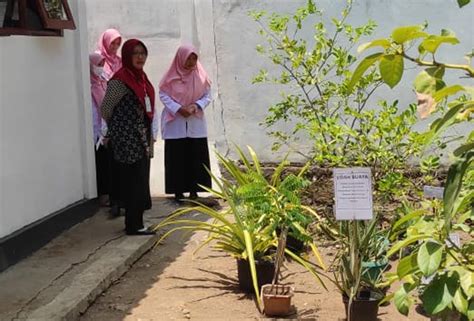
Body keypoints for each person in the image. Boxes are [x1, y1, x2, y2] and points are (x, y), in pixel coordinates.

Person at [101, 39, 155, 236]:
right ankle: (133, 225)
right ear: (127, 56)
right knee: (133, 182)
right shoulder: (120, 80)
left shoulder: (141, 77)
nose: (140, 57)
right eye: (136, 53)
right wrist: (120, 128)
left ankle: (138, 222)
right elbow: (105, 108)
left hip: (141, 137)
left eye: (143, 53)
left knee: (141, 180)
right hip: (127, 140)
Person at [159, 44, 212, 202]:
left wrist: (196, 106)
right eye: (188, 57)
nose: (191, 61)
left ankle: (195, 191)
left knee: (196, 156)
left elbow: (208, 95)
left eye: (194, 58)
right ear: (181, 58)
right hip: (176, 122)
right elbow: (163, 94)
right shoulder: (170, 77)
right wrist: (178, 108)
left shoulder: (201, 76)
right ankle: (177, 191)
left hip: (195, 120)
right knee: (176, 157)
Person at [89, 53, 110, 206]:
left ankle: (107, 193)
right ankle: (99, 194)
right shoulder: (88, 85)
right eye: (98, 64)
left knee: (105, 163)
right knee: (97, 163)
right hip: (93, 131)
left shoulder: (103, 82)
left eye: (102, 64)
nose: (100, 68)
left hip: (105, 129)